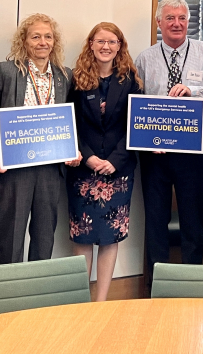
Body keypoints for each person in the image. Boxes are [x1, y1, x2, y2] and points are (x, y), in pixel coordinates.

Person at [135, 0, 203, 275]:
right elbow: (135, 101)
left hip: (193, 151)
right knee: (155, 220)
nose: (177, 24)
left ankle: (191, 282)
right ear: (159, 22)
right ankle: (156, 283)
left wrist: (194, 91)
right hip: (154, 154)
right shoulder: (144, 58)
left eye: (182, 18)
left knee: (192, 219)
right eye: (170, 18)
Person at [0, 14, 80, 264]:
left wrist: (73, 149)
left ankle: (37, 299)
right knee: (10, 241)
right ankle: (9, 300)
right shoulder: (7, 72)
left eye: (48, 36)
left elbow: (68, 122)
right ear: (24, 41)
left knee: (44, 239)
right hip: (14, 168)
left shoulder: (64, 76)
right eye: (35, 36)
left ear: (54, 41)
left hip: (49, 169)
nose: (42, 42)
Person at [66, 22, 141, 301]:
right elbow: (69, 124)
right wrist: (89, 158)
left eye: (112, 42)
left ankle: (101, 303)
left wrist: (115, 160)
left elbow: (137, 125)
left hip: (118, 171)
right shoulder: (76, 79)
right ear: (91, 44)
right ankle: (81, 301)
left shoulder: (131, 80)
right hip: (83, 171)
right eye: (100, 41)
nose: (106, 46)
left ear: (119, 46)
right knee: (83, 235)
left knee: (110, 237)